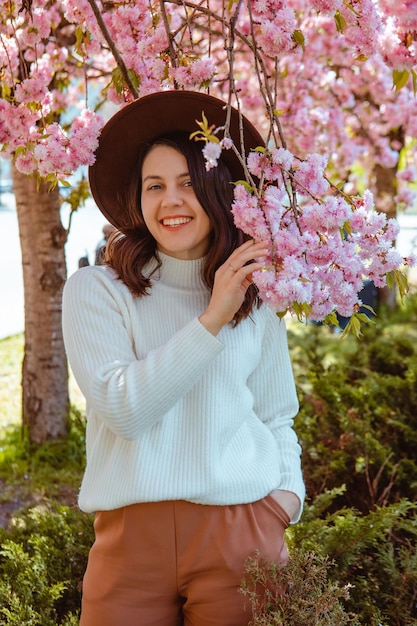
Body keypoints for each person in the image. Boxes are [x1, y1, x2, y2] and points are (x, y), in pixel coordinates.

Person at [62, 90, 305, 626]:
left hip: (241, 532)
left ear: (220, 189)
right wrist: (212, 317)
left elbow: (276, 414)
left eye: (189, 184)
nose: (171, 201)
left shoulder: (255, 294)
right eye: (156, 186)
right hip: (129, 541)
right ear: (138, 199)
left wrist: (283, 502)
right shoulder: (96, 290)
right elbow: (122, 409)